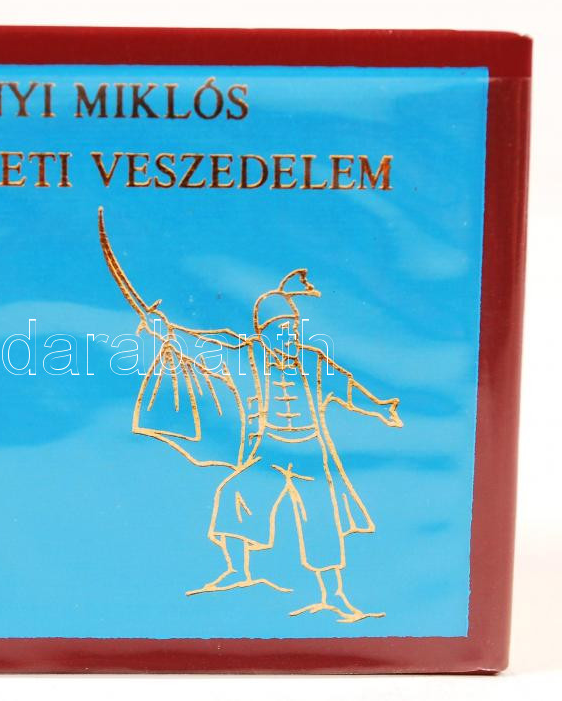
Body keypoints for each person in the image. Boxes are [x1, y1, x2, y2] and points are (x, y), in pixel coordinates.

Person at [99, 208, 402, 621]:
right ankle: (238, 572)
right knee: (235, 496)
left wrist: (380, 408)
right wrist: (165, 331)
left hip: (311, 451)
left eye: (294, 330)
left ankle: (334, 596)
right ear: (266, 332)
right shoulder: (246, 358)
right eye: (284, 331)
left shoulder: (313, 361)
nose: (291, 337)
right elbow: (202, 347)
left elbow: (346, 389)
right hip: (268, 450)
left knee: (322, 521)